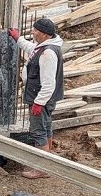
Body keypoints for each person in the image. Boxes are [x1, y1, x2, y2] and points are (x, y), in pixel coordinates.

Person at [8, 17, 64, 179]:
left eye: (36, 30)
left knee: (38, 130)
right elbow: (31, 48)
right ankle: (48, 159)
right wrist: (17, 38)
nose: (33, 32)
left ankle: (42, 168)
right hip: (44, 98)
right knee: (46, 127)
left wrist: (39, 102)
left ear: (45, 34)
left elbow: (48, 83)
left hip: (41, 97)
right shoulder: (45, 47)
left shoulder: (48, 53)